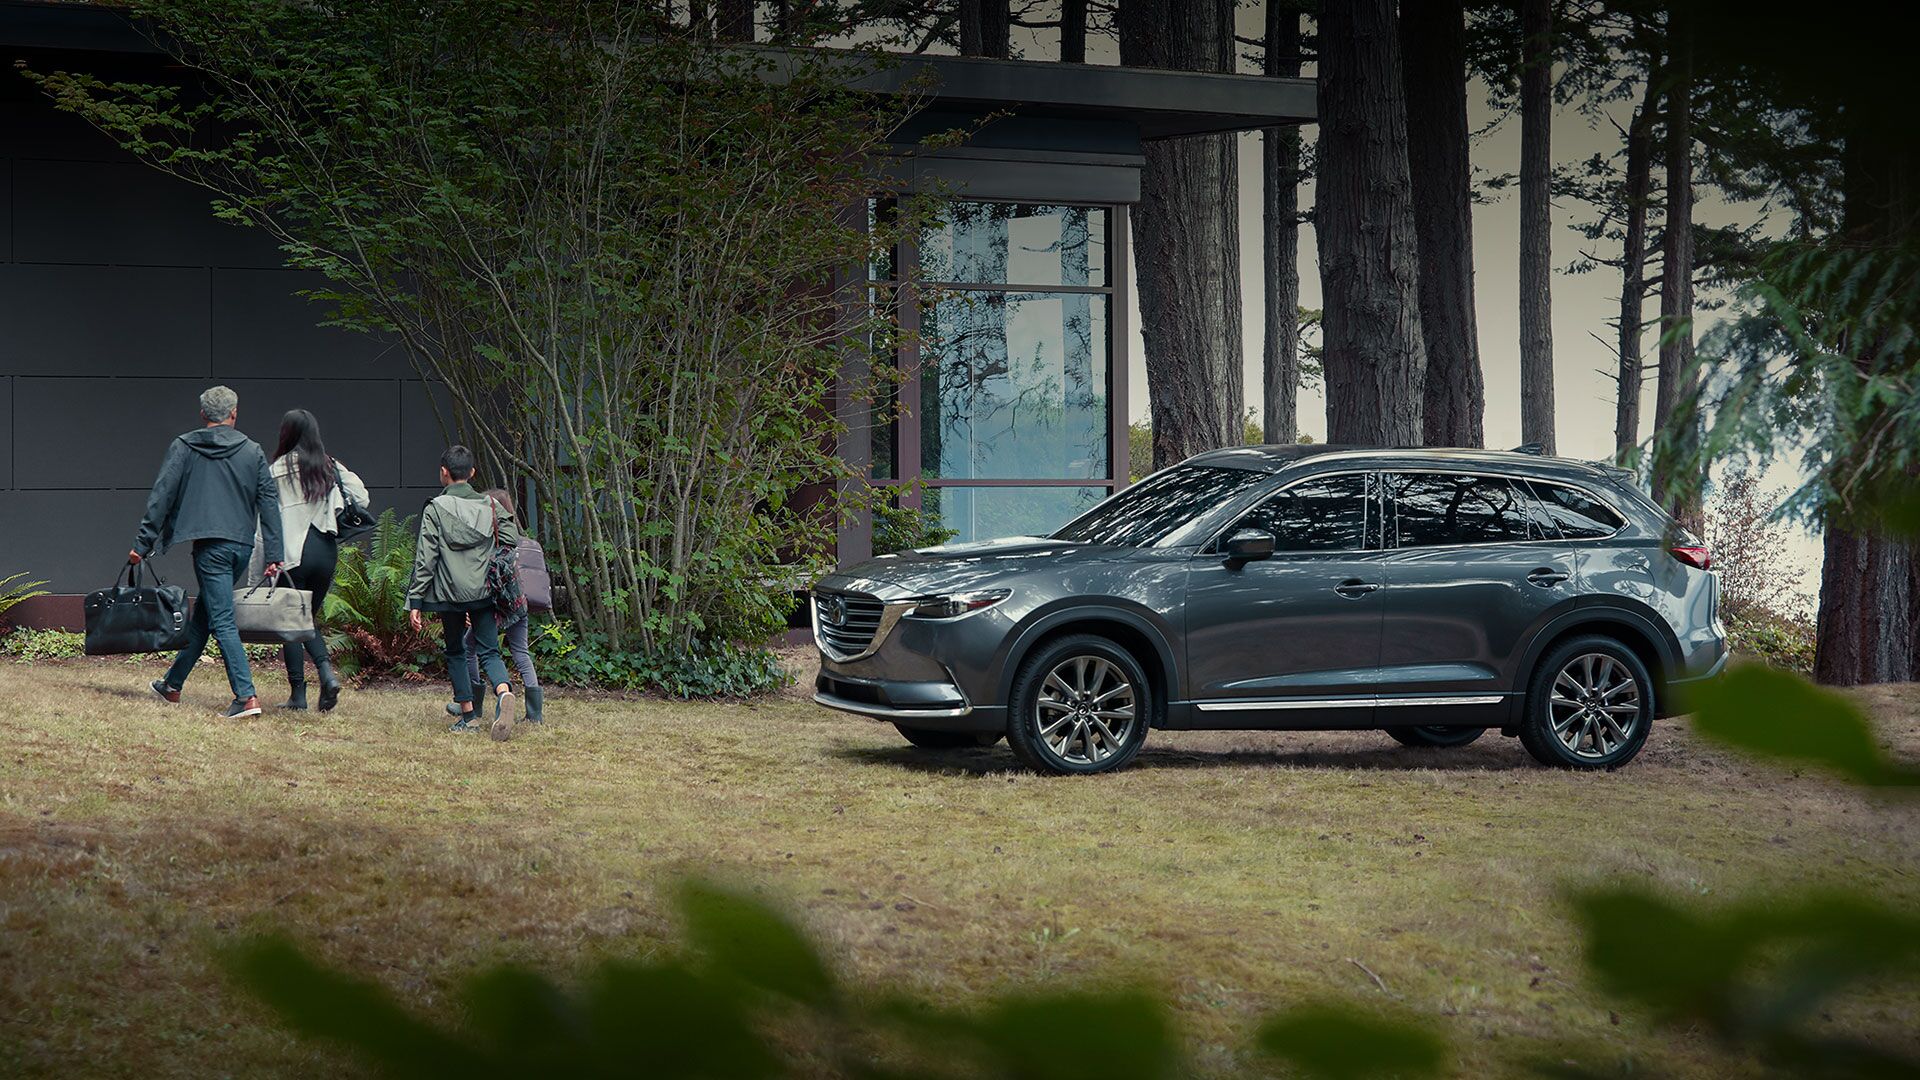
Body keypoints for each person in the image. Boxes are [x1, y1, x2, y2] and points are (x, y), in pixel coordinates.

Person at [132, 385, 284, 718]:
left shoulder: (184, 447)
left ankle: (246, 697)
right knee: (205, 616)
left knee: (222, 621)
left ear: (203, 415)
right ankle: (171, 686)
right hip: (241, 546)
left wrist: (143, 544)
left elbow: (162, 496)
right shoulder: (253, 451)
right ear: (234, 413)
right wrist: (274, 554)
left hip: (210, 547)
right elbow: (269, 503)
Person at [255, 409, 369, 713]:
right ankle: (326, 674)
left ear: (287, 434)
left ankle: (299, 694)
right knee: (307, 619)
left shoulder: (277, 469)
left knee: (290, 622)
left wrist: (262, 561)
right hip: (325, 550)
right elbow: (362, 496)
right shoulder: (329, 465)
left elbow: (264, 518)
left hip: (292, 553)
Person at [406, 446, 518, 740]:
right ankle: (504, 692)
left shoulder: (435, 508)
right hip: (483, 590)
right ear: (472, 473)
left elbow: (426, 557)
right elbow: (509, 539)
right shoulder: (490, 505)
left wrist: (416, 599)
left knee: (455, 650)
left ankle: (469, 717)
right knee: (489, 650)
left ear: (443, 472)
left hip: (448, 593)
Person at [445, 488, 547, 724]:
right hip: (518, 603)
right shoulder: (515, 540)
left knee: (469, 647)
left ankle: (473, 704)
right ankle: (535, 713)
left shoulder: (487, 544)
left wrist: (471, 608)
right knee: (521, 652)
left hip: (494, 608)